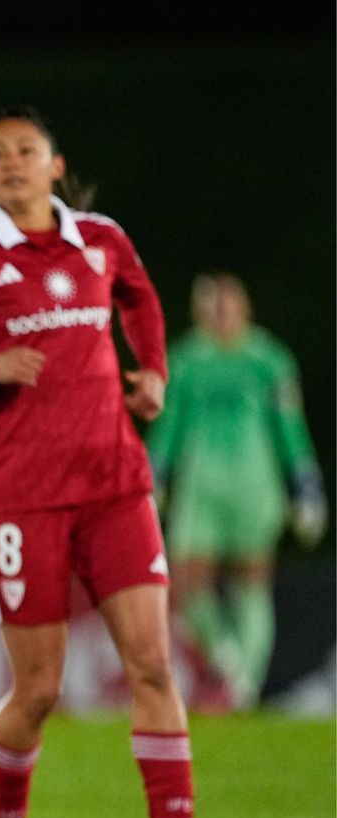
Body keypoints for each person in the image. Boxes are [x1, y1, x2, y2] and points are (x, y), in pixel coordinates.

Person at [0, 106, 245, 818]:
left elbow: (142, 298)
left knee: (155, 666)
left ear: (56, 165)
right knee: (40, 690)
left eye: (28, 151)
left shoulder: (100, 236)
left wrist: (153, 370)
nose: (14, 163)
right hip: (22, 499)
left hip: (116, 486)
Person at [146, 273, 328, 706]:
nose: (221, 315)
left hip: (254, 482)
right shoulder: (186, 361)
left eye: (227, 305)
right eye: (211, 306)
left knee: (251, 580)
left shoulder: (269, 359)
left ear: (245, 308)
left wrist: (305, 484)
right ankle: (226, 656)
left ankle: (245, 682)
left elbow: (289, 427)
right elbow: (169, 427)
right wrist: (154, 477)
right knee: (187, 579)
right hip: (201, 483)